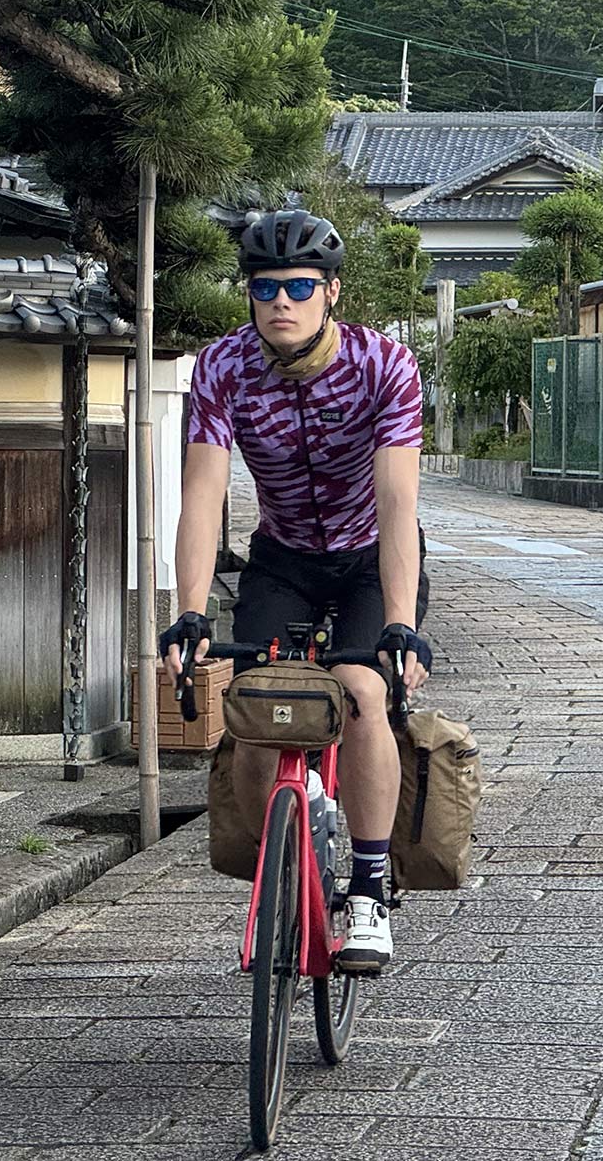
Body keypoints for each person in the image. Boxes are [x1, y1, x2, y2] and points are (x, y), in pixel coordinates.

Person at [161, 208, 432, 974]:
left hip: (368, 557)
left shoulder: (386, 365)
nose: (282, 300)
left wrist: (401, 624)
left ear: (331, 292)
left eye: (301, 286)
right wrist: (188, 612)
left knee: (358, 691)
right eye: (266, 287)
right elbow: (203, 494)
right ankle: (285, 862)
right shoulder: (222, 368)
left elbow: (397, 504)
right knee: (255, 708)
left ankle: (371, 890)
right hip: (281, 557)